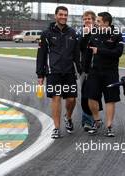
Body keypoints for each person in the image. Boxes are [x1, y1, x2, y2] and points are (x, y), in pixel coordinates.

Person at [36, 6, 82, 139]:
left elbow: (76, 54)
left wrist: (80, 71)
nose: (63, 17)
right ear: (55, 16)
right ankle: (56, 128)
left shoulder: (73, 33)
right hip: (53, 72)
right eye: (61, 15)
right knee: (56, 98)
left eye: (65, 15)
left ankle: (68, 117)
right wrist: (40, 75)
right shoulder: (46, 34)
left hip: (69, 72)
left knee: (71, 99)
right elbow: (41, 55)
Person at [86, 12, 124, 137]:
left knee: (110, 99)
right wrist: (85, 70)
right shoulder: (93, 34)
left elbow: (118, 52)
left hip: (111, 73)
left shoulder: (117, 35)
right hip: (94, 72)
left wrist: (100, 51)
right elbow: (88, 53)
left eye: (98, 21)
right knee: (91, 97)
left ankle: (109, 126)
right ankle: (97, 121)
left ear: (106, 23)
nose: (95, 23)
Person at [79, 11, 103, 132]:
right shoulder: (81, 32)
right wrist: (85, 35)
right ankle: (87, 121)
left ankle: (95, 119)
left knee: (95, 95)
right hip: (84, 69)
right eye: (85, 19)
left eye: (89, 19)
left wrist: (90, 34)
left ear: (94, 20)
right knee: (85, 95)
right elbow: (80, 47)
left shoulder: (99, 32)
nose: (87, 21)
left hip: (97, 69)